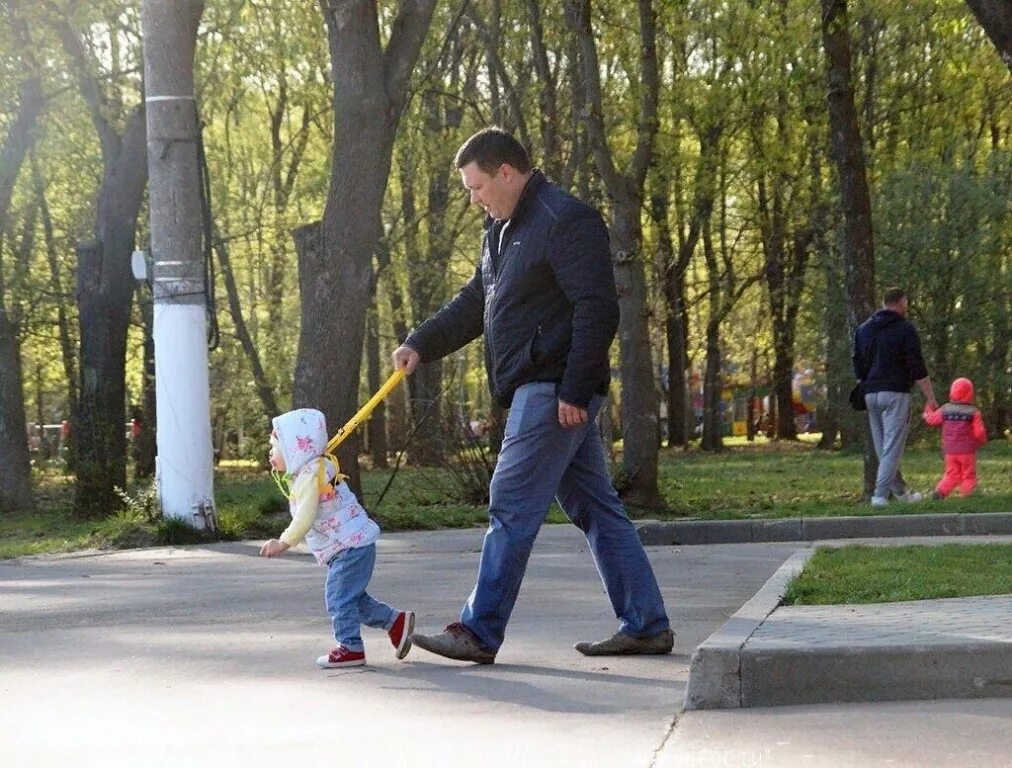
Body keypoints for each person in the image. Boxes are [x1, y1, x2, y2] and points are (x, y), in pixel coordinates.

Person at [391, 127, 672, 664]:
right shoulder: (500, 231)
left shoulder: (563, 219)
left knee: (511, 504)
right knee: (595, 507)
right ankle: (646, 623)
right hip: (541, 386)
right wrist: (420, 343)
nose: (473, 200)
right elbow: (476, 302)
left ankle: (478, 630)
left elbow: (597, 308)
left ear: (506, 173)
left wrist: (576, 387)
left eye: (476, 187)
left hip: (553, 389)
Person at [260, 407, 414, 668]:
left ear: (294, 450)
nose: (270, 454)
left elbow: (305, 517)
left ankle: (350, 647)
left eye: (275, 448)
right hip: (350, 544)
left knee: (338, 598)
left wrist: (283, 542)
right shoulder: (311, 469)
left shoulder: (309, 476)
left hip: (349, 547)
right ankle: (395, 622)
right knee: (352, 598)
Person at [853, 287, 937, 506]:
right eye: (906, 303)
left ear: (883, 303)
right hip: (896, 394)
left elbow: (858, 365)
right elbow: (917, 366)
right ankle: (880, 496)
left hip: (871, 394)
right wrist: (930, 397)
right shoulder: (905, 329)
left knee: (883, 449)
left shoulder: (862, 331)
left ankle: (900, 492)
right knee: (891, 448)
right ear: (901, 303)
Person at [923, 377, 987, 499]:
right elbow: (979, 433)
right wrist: (981, 442)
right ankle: (969, 496)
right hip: (967, 451)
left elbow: (931, 419)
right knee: (968, 475)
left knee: (951, 474)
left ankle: (940, 492)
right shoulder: (973, 412)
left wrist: (928, 408)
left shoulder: (945, 409)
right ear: (970, 393)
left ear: (952, 392)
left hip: (950, 451)